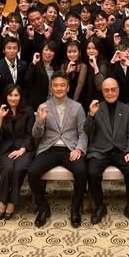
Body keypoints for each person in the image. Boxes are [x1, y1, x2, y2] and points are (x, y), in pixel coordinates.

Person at [28, 72, 88, 228]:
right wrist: (40, 121)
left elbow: (83, 132)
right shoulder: (43, 106)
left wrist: (79, 150)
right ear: (51, 87)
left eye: (62, 85)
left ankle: (75, 210)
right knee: (33, 172)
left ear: (68, 87)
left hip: (70, 149)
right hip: (49, 148)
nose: (59, 88)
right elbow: (36, 135)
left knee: (81, 172)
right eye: (55, 85)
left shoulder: (77, 107)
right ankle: (43, 208)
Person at [84, 78, 129, 225]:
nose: (110, 93)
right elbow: (87, 132)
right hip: (100, 150)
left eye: (113, 89)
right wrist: (91, 115)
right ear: (102, 92)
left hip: (121, 151)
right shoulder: (96, 108)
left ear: (118, 90)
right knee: (92, 172)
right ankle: (99, 206)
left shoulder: (127, 110)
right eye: (106, 90)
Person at [0, 84, 35, 220]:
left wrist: (23, 149)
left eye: (16, 95)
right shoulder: (1, 110)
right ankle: (3, 200)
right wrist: (0, 117)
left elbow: (31, 134)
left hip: (24, 149)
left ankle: (10, 202)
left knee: (19, 168)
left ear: (20, 96)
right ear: (6, 96)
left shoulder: (28, 111)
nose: (13, 98)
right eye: (10, 95)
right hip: (5, 149)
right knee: (8, 168)